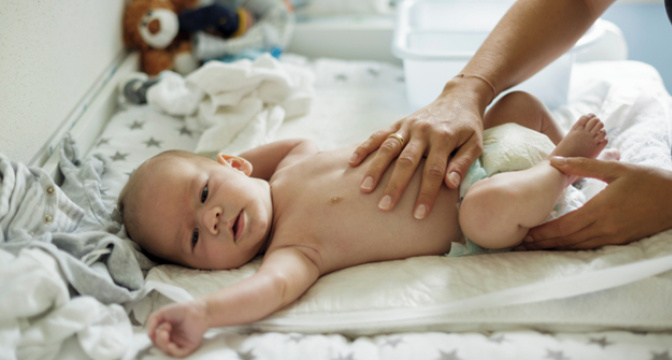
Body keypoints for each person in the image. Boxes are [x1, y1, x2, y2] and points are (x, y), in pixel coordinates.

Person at [119, 91, 608, 357]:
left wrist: (235, 169)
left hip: (477, 149)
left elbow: (272, 152)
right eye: (195, 237)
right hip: (482, 201)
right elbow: (267, 291)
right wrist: (204, 315)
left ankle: (558, 146)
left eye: (205, 193)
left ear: (235, 165)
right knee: (485, 217)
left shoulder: (294, 159)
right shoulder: (295, 250)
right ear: (200, 269)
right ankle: (564, 167)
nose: (212, 216)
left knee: (515, 105)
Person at [349, 0, 672, 250]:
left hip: (479, 205)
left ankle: (562, 169)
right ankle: (568, 164)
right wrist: (467, 90)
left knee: (483, 214)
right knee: (519, 106)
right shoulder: (292, 176)